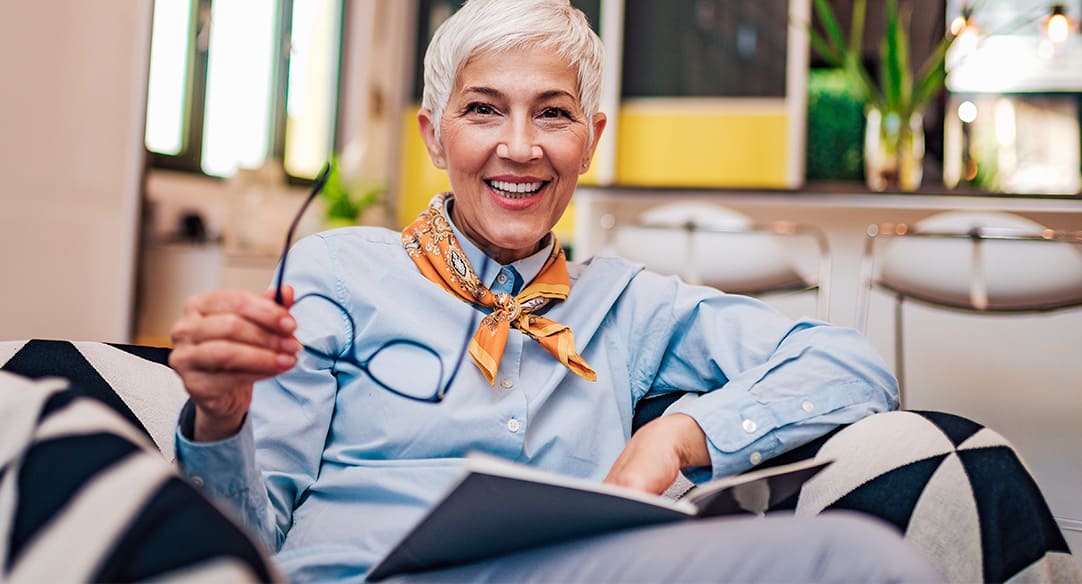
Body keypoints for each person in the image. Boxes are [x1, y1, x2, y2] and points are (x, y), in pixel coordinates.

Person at [167, 0, 942, 581]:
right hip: (359, 572)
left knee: (857, 558)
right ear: (433, 135)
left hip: (569, 573)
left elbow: (851, 365)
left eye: (553, 114)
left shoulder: (632, 306)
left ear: (591, 140)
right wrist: (220, 418)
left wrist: (677, 436)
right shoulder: (334, 274)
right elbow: (248, 538)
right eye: (483, 110)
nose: (520, 147)